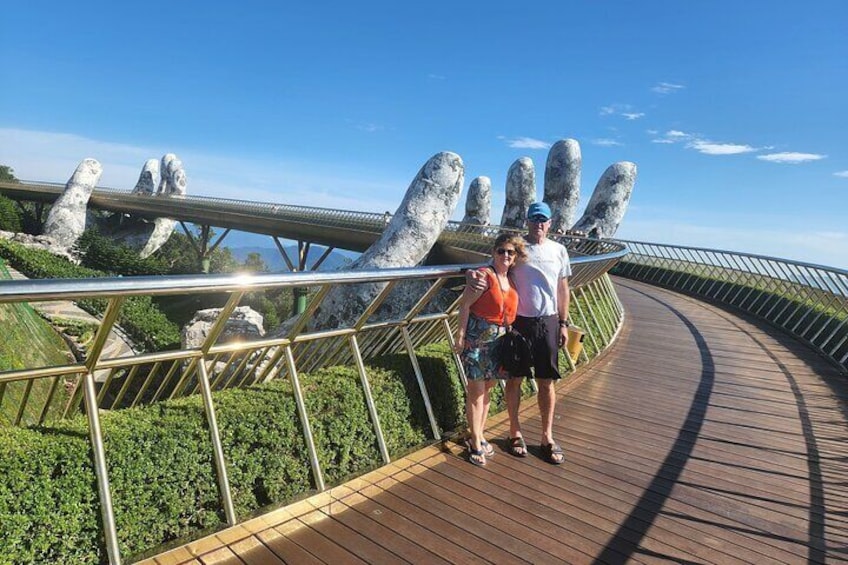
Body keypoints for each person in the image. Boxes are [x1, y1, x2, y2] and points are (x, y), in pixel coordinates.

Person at [467, 202, 571, 464]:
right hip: (519, 323)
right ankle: (515, 432)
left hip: (547, 321)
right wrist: (471, 274)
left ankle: (547, 437)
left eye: (543, 220)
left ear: (550, 223)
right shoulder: (518, 249)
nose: (539, 224)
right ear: (527, 222)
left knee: (547, 381)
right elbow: (496, 265)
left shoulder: (559, 250)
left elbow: (563, 289)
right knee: (515, 379)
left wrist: (563, 322)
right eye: (534, 219)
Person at [454, 233, 526, 466]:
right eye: (501, 251)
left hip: (499, 341)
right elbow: (464, 305)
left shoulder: (511, 279)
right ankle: (475, 441)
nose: (505, 255)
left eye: (510, 252)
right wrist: (460, 336)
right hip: (477, 338)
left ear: (515, 257)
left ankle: (480, 433)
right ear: (493, 252)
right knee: (476, 391)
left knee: (488, 390)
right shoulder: (484, 276)